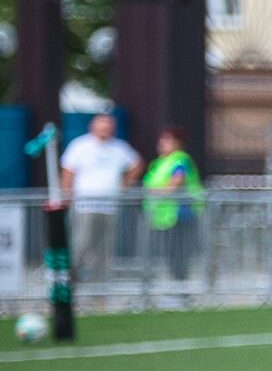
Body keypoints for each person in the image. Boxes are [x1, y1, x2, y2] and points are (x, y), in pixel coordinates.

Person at [59, 113, 142, 283]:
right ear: (93, 127)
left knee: (105, 248)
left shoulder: (119, 148)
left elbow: (137, 164)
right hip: (85, 206)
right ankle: (71, 281)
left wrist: (124, 185)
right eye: (102, 126)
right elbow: (67, 171)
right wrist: (67, 195)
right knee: (81, 244)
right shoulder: (80, 145)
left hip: (109, 207)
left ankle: (100, 285)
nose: (105, 130)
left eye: (108, 127)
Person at [141, 124, 204, 282]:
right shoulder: (159, 162)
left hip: (180, 214)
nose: (163, 143)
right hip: (162, 215)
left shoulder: (180, 160)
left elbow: (176, 183)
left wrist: (155, 192)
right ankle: (175, 285)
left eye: (168, 140)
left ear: (178, 143)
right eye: (162, 140)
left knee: (179, 253)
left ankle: (179, 287)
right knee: (169, 253)